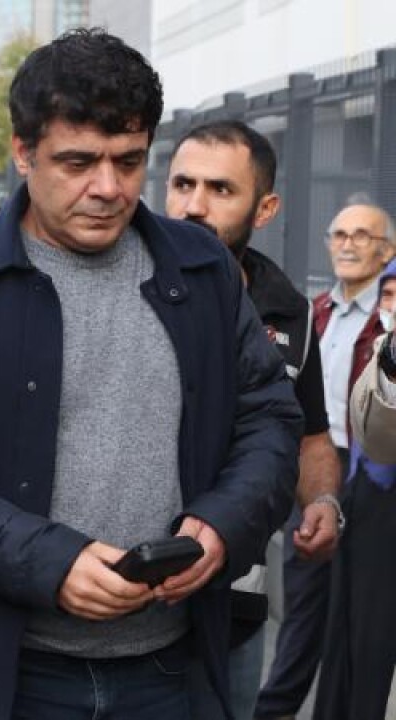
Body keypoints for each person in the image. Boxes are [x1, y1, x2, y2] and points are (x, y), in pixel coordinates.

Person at [0, 28, 301, 720]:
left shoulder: (202, 269)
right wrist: (51, 563)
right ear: (22, 151)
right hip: (8, 677)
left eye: (129, 162)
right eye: (78, 162)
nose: (107, 188)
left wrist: (222, 523)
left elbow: (270, 418)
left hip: (173, 671)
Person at [164, 119, 341, 719]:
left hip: (234, 607)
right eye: (183, 184)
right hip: (125, 600)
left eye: (220, 189)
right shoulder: (122, 284)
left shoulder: (290, 312)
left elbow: (309, 435)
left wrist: (322, 502)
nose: (194, 206)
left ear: (264, 208)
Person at [255, 202, 394, 720]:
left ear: (387, 250)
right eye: (339, 234)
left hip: (372, 470)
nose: (348, 244)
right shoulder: (311, 311)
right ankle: (274, 709)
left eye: (362, 235)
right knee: (304, 604)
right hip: (313, 467)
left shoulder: (386, 320)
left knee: (359, 618)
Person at [329, 258, 396, 719]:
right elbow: (376, 435)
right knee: (364, 638)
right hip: (372, 499)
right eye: (388, 295)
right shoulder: (380, 349)